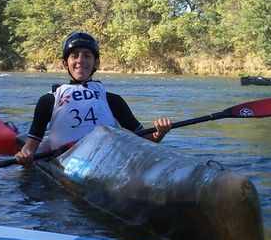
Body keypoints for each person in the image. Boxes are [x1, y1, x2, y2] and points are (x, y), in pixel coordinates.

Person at [14, 32, 172, 165]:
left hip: (108, 156)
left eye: (87, 56)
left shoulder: (112, 100)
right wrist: (25, 157)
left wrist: (159, 133)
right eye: (74, 56)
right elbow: (30, 148)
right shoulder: (48, 100)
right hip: (68, 157)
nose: (80, 60)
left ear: (96, 63)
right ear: (65, 63)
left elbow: (147, 138)